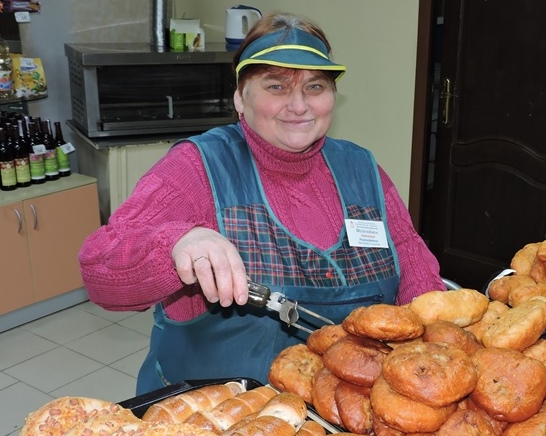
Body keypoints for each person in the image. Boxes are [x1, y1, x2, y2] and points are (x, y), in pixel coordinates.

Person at [78, 11, 446, 395]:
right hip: (211, 418)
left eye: (315, 87)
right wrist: (177, 244)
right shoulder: (197, 168)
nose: (299, 106)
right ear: (240, 97)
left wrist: (435, 340)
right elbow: (100, 270)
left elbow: (408, 256)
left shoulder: (362, 169)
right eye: (276, 87)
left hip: (334, 420)